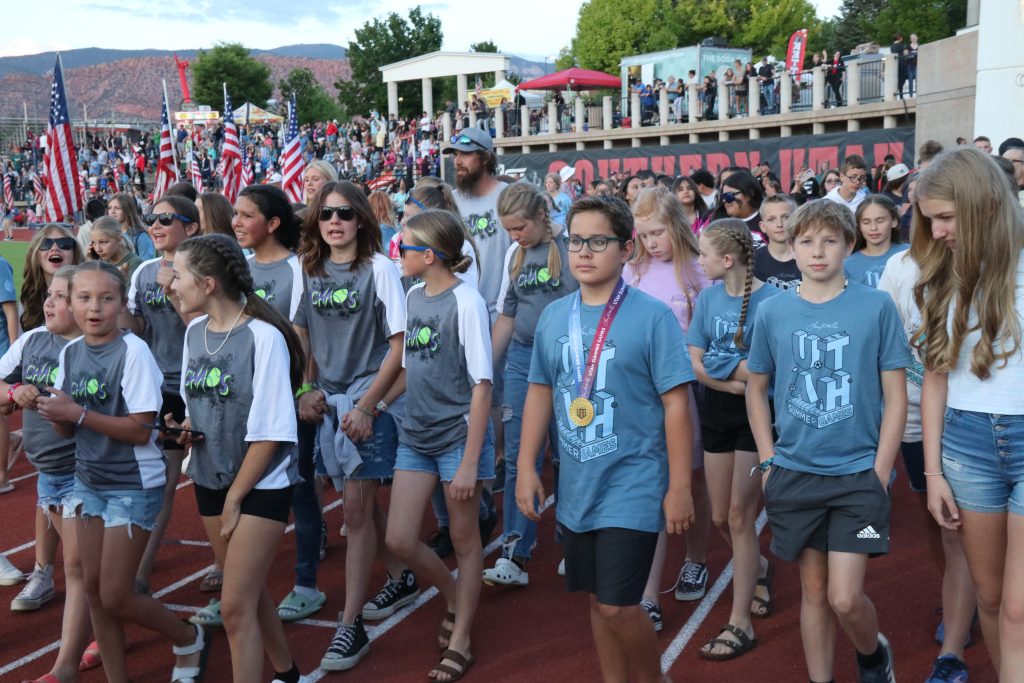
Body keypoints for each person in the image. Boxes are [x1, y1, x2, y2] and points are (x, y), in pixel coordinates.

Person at [516, 195, 696, 683]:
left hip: (633, 480)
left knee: (619, 606)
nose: (585, 251)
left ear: (625, 248)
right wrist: (527, 466)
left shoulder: (652, 316)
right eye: (576, 240)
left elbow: (677, 404)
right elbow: (539, 391)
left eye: (599, 241)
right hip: (578, 482)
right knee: (598, 602)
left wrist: (679, 487)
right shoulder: (556, 316)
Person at [746, 199, 911, 683]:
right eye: (806, 241)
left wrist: (880, 472)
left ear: (848, 245)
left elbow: (896, 397)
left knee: (844, 596)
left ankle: (872, 654)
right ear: (790, 247)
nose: (817, 251)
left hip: (858, 475)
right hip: (794, 473)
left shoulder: (876, 304)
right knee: (813, 591)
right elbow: (756, 388)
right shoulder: (773, 311)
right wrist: (768, 459)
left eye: (829, 240)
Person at [37, 261, 211, 683]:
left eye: (106, 298)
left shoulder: (133, 351)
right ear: (70, 304)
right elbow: (66, 425)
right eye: (83, 298)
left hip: (133, 483)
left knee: (116, 593)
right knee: (96, 593)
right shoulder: (70, 352)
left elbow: (138, 431)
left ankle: (188, 636)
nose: (94, 307)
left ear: (121, 303)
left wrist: (75, 413)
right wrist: (49, 408)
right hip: (88, 480)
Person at [167, 234, 305, 683]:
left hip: (260, 483)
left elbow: (271, 433)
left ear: (207, 284)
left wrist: (235, 499)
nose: (170, 283)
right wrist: (186, 426)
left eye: (179, 274)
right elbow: (197, 405)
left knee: (233, 607)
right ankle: (287, 672)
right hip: (210, 477)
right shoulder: (193, 333)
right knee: (247, 594)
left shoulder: (263, 338)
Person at [289, 181, 416, 671]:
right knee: (359, 503)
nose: (334, 221)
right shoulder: (308, 267)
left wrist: (367, 406)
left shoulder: (381, 270)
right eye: (325, 214)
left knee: (356, 512)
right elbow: (300, 331)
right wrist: (305, 386)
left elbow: (399, 349)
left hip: (370, 398)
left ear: (362, 218)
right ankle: (402, 575)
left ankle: (350, 626)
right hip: (330, 400)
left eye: (344, 213)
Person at [914, 148, 1024, 680]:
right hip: (966, 447)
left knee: (1019, 608)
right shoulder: (942, 274)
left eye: (945, 217)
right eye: (930, 218)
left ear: (982, 205)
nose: (935, 232)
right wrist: (933, 473)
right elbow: (935, 379)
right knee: (990, 593)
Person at [384, 208, 495, 682]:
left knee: (467, 541)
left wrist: (470, 462)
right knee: (399, 538)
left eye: (404, 247)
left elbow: (482, 385)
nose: (397, 253)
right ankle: (453, 596)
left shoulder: (466, 303)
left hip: (456, 439)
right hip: (416, 433)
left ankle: (463, 638)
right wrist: (372, 405)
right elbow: (410, 367)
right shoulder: (412, 295)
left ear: (428, 255)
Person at [878, 223, 976, 683]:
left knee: (962, 534)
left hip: (976, 417)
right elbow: (889, 336)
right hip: (920, 415)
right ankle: (961, 598)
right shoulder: (900, 267)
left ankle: (957, 636)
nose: (939, 226)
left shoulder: (986, 264)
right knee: (936, 515)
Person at [689, 219, 780, 660]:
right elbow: (696, 361)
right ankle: (757, 566)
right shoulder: (707, 298)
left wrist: (730, 371)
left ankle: (739, 621)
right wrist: (736, 380)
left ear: (727, 259)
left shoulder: (774, 301)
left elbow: (770, 371)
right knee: (721, 517)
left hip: (755, 418)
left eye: (703, 253)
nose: (698, 260)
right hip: (719, 412)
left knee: (741, 516)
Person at [622, 187, 710, 631]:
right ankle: (648, 595)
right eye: (643, 234)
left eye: (658, 232)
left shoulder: (699, 272)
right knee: (650, 487)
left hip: (688, 394)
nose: (651, 242)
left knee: (692, 482)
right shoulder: (630, 271)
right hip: (640, 394)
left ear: (676, 224)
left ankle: (695, 558)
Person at [2, 267, 95, 682]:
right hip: (48, 473)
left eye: (60, 297)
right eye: (50, 295)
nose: (48, 302)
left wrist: (61, 410)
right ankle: (108, 627)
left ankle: (66, 664)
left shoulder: (94, 349)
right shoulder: (32, 340)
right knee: (88, 572)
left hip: (85, 472)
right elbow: (1, 385)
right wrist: (11, 393)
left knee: (79, 568)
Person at [483, 182, 577, 587]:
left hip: (571, 362)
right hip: (523, 359)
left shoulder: (574, 248)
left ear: (542, 216)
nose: (513, 236)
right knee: (522, 452)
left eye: (519, 228)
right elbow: (509, 313)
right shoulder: (514, 254)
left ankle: (574, 544)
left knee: (569, 454)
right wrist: (483, 367)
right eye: (508, 229)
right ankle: (514, 552)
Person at [121, 195, 201, 595]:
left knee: (212, 476)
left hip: (199, 385)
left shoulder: (203, 269)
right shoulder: (143, 272)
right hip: (157, 389)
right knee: (163, 481)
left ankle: (226, 558)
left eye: (166, 218)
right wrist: (114, 301)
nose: (155, 224)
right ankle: (139, 577)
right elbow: (135, 328)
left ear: (191, 227)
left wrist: (173, 289)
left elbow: (204, 328)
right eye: (152, 217)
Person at [846, 196, 907, 288]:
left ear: (894, 221)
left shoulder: (910, 253)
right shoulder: (848, 265)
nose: (873, 228)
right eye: (866, 222)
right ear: (859, 226)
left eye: (880, 221)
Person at [753, 194, 800, 290]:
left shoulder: (810, 257)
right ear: (762, 226)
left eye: (786, 217)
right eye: (771, 219)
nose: (779, 224)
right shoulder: (753, 261)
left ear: (797, 220)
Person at [107, 193, 156, 260]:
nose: (112, 212)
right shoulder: (109, 234)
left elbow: (147, 265)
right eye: (110, 208)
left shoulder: (141, 236)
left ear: (127, 211)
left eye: (117, 208)